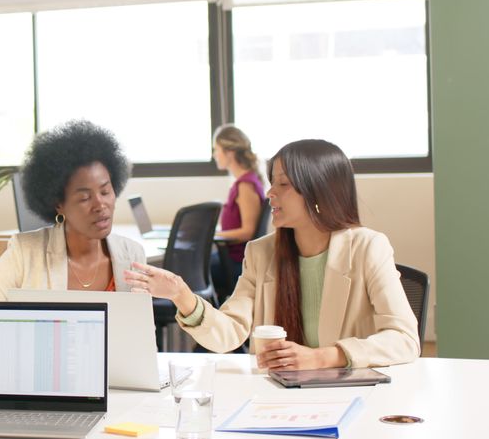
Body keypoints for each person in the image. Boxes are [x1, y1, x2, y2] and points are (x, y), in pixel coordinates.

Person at [127, 139, 419, 369]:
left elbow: (405, 340)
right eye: (272, 182)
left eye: (283, 184)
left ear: (317, 192)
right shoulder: (261, 252)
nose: (270, 193)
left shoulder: (368, 248)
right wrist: (182, 295)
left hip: (349, 393)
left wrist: (324, 357)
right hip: (278, 397)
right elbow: (230, 332)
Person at [0, 120, 147, 300]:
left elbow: (142, 326)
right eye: (85, 198)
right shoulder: (25, 253)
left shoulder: (132, 255)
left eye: (105, 191)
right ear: (58, 204)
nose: (100, 205)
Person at [211, 124, 265, 288]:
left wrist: (215, 234)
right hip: (233, 258)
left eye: (216, 149)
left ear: (230, 152)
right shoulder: (244, 182)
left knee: (192, 268)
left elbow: (248, 232)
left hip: (236, 263)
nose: (214, 155)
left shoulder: (246, 185)